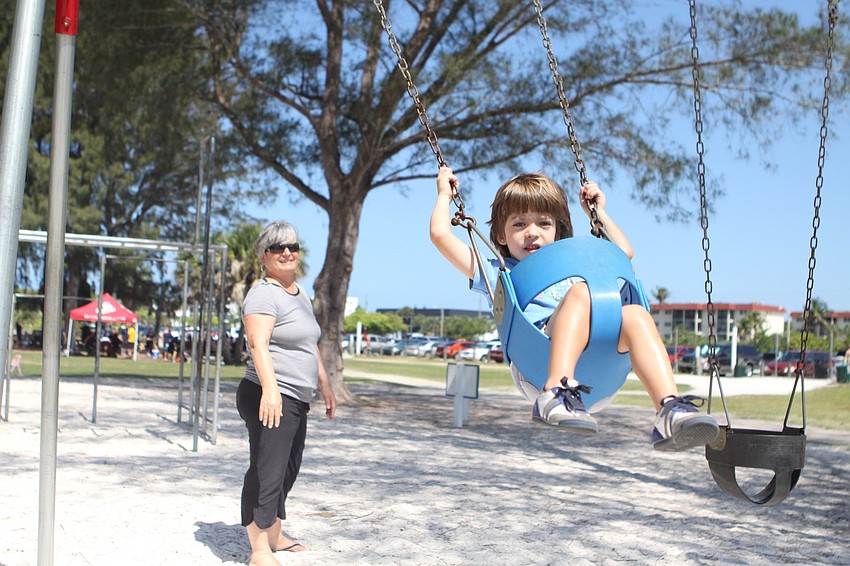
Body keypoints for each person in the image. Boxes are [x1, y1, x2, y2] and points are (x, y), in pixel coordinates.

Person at [430, 167, 719, 452]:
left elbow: (623, 253)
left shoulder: (575, 269)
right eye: (519, 224)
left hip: (598, 374)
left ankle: (669, 409)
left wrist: (598, 213)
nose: (532, 233)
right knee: (582, 292)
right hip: (537, 366)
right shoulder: (498, 271)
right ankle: (556, 391)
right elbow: (441, 237)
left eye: (544, 223)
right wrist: (445, 194)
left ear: (557, 230)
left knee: (634, 314)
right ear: (502, 236)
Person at [236, 220, 337, 566]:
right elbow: (257, 343)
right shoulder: (263, 293)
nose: (287, 252)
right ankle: (259, 550)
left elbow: (310, 345)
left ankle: (275, 533)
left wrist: (324, 384)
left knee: (288, 467)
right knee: (267, 469)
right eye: (278, 247)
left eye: (292, 246)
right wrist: (271, 390)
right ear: (264, 256)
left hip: (296, 397)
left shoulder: (301, 292)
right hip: (269, 394)